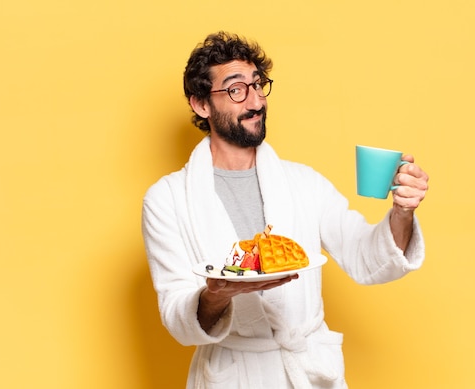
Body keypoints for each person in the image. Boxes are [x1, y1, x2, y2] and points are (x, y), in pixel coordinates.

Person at [141, 31, 429, 389]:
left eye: (258, 85)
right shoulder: (166, 199)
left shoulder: (304, 183)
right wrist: (218, 294)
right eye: (236, 89)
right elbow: (176, 315)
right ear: (201, 104)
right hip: (234, 376)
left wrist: (402, 212)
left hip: (308, 371)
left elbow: (367, 257)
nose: (256, 101)